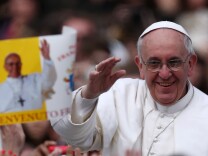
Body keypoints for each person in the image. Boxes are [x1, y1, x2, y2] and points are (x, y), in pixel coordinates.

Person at [51, 21, 208, 156]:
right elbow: (71, 136)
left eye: (174, 62)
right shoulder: (120, 94)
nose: (165, 74)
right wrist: (89, 96)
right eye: (154, 63)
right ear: (140, 65)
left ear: (191, 64)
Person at [0, 39, 57, 112]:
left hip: (35, 121)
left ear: (21, 65)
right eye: (11, 64)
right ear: (5, 67)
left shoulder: (34, 79)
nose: (15, 67)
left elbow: (48, 81)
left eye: (18, 63)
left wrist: (46, 58)